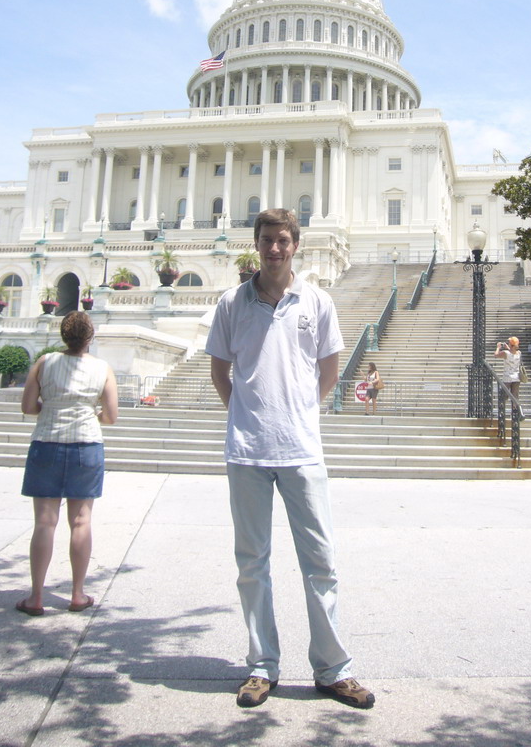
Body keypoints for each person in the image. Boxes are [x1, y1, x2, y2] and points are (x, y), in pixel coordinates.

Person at [206, 208, 374, 710]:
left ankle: (332, 669)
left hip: (302, 449)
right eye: (266, 240)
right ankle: (262, 666)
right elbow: (220, 371)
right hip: (247, 450)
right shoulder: (231, 302)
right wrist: (245, 414)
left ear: (295, 244)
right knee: (251, 564)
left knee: (320, 561)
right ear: (256, 244)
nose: (274, 248)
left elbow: (329, 370)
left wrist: (300, 411)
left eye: (282, 240)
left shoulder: (318, 301)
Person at [16, 311, 118, 616]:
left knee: (45, 522)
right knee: (81, 521)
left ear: (63, 335)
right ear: (90, 337)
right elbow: (111, 416)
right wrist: (89, 414)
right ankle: (77, 594)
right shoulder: (102, 368)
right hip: (86, 445)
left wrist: (52, 407)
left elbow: (27, 407)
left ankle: (36, 596)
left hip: (47, 442)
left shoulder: (44, 363)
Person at [494, 337, 521, 410]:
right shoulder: (519, 353)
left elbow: (496, 355)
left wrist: (498, 347)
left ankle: (502, 412)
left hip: (507, 377)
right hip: (517, 377)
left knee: (504, 396)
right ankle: (516, 413)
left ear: (511, 344)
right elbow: (513, 352)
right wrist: (508, 347)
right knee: (515, 396)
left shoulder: (505, 353)